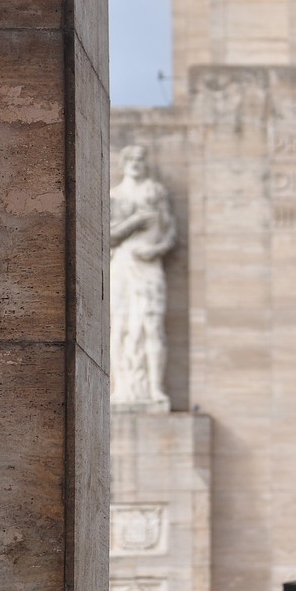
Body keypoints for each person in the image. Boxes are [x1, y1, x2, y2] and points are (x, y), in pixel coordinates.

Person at [110, 145, 176, 411]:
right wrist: (136, 221)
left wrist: (156, 249)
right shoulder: (114, 195)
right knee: (120, 324)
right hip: (123, 262)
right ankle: (118, 389)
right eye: (132, 158)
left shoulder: (156, 192)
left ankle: (154, 388)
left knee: (152, 324)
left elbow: (170, 231)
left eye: (141, 158)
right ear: (124, 163)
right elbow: (110, 235)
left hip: (149, 263)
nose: (137, 162)